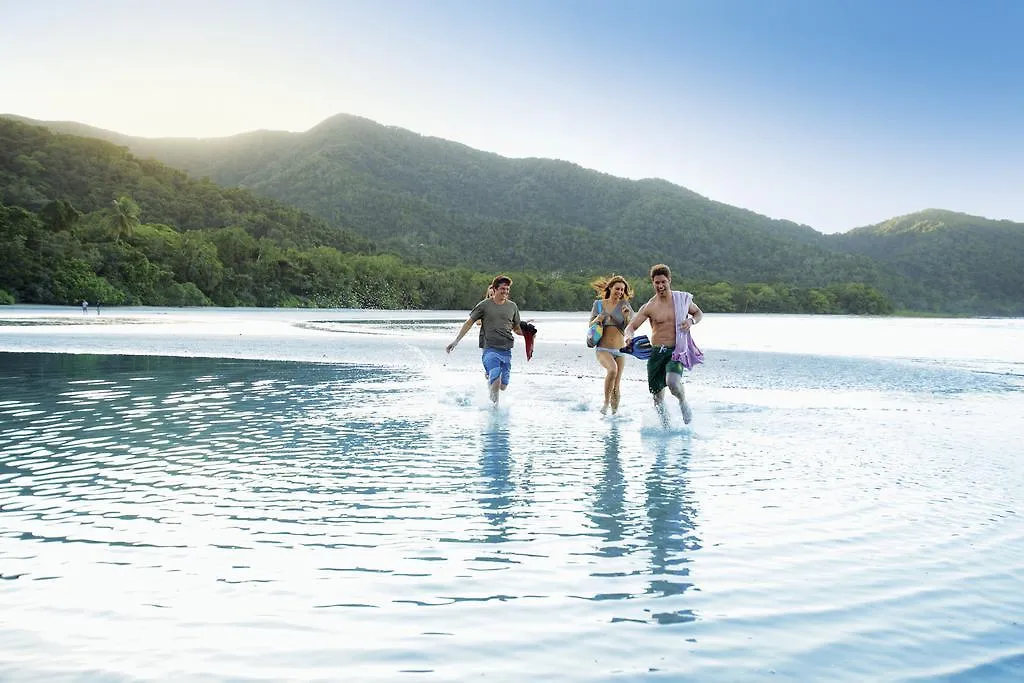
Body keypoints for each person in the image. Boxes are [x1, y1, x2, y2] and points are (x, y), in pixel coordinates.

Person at [623, 264, 704, 425]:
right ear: (652, 282)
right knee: (657, 396)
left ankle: (683, 402)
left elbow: (698, 313)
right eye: (657, 282)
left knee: (672, 383)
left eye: (663, 282)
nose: (660, 286)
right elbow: (631, 327)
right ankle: (666, 428)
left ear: (669, 281)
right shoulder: (650, 306)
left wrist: (691, 320)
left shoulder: (682, 299)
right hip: (656, 353)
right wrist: (628, 337)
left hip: (676, 351)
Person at [447, 275, 526, 404]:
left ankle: (490, 386)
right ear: (494, 289)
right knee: (496, 378)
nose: (505, 292)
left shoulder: (512, 307)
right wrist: (456, 341)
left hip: (506, 349)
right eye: (502, 289)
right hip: (489, 348)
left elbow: (517, 329)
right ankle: (494, 410)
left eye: (507, 289)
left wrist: (528, 334)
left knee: (503, 386)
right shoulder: (484, 305)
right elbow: (469, 323)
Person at [589, 275, 634, 415]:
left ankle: (614, 415)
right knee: (612, 370)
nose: (619, 292)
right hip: (603, 349)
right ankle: (606, 403)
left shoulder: (625, 305)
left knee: (617, 385)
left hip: (620, 350)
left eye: (622, 290)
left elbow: (629, 328)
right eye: (617, 289)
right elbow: (590, 325)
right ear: (610, 288)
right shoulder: (598, 304)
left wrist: (626, 316)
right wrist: (598, 318)